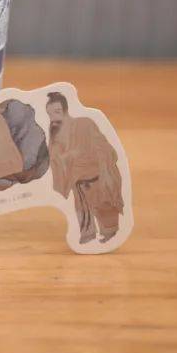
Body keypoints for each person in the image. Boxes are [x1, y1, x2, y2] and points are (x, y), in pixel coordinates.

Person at [46, 92, 124, 244]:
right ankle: (88, 236)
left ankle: (110, 234)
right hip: (77, 181)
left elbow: (102, 147)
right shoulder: (55, 133)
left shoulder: (85, 123)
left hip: (96, 176)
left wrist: (76, 154)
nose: (53, 118)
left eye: (57, 112)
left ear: (65, 110)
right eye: (50, 114)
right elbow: (55, 158)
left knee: (104, 207)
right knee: (83, 212)